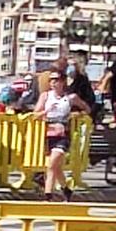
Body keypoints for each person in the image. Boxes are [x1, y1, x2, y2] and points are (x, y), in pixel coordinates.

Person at [37, 71, 83, 201]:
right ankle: (66, 190)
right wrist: (46, 111)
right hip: (48, 132)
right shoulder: (45, 96)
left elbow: (87, 109)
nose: (53, 83)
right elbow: (35, 114)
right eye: (51, 80)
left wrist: (77, 114)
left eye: (56, 79)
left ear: (63, 81)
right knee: (56, 167)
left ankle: (48, 196)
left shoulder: (71, 97)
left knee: (51, 165)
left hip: (63, 133)